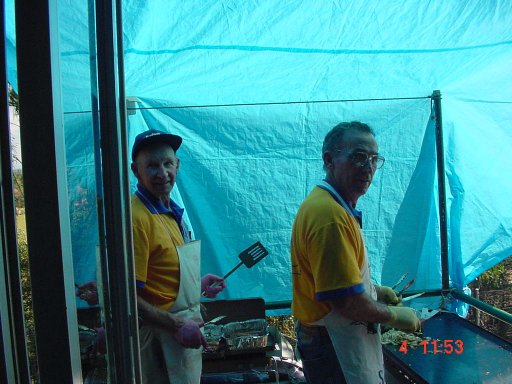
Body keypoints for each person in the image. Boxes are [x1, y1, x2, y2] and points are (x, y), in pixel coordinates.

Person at [291, 121, 420, 384]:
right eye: (359, 157)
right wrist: (396, 316)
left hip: (328, 336)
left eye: (374, 159)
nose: (369, 167)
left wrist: (373, 289)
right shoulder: (329, 215)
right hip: (333, 343)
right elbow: (347, 303)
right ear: (329, 159)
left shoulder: (330, 204)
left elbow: (332, 275)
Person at [130, 128, 227, 384]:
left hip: (181, 334)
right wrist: (175, 325)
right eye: (151, 166)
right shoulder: (136, 219)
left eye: (167, 163)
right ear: (135, 171)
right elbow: (126, 297)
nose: (162, 174)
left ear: (178, 165)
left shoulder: (170, 210)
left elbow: (160, 276)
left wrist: (196, 285)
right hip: (159, 341)